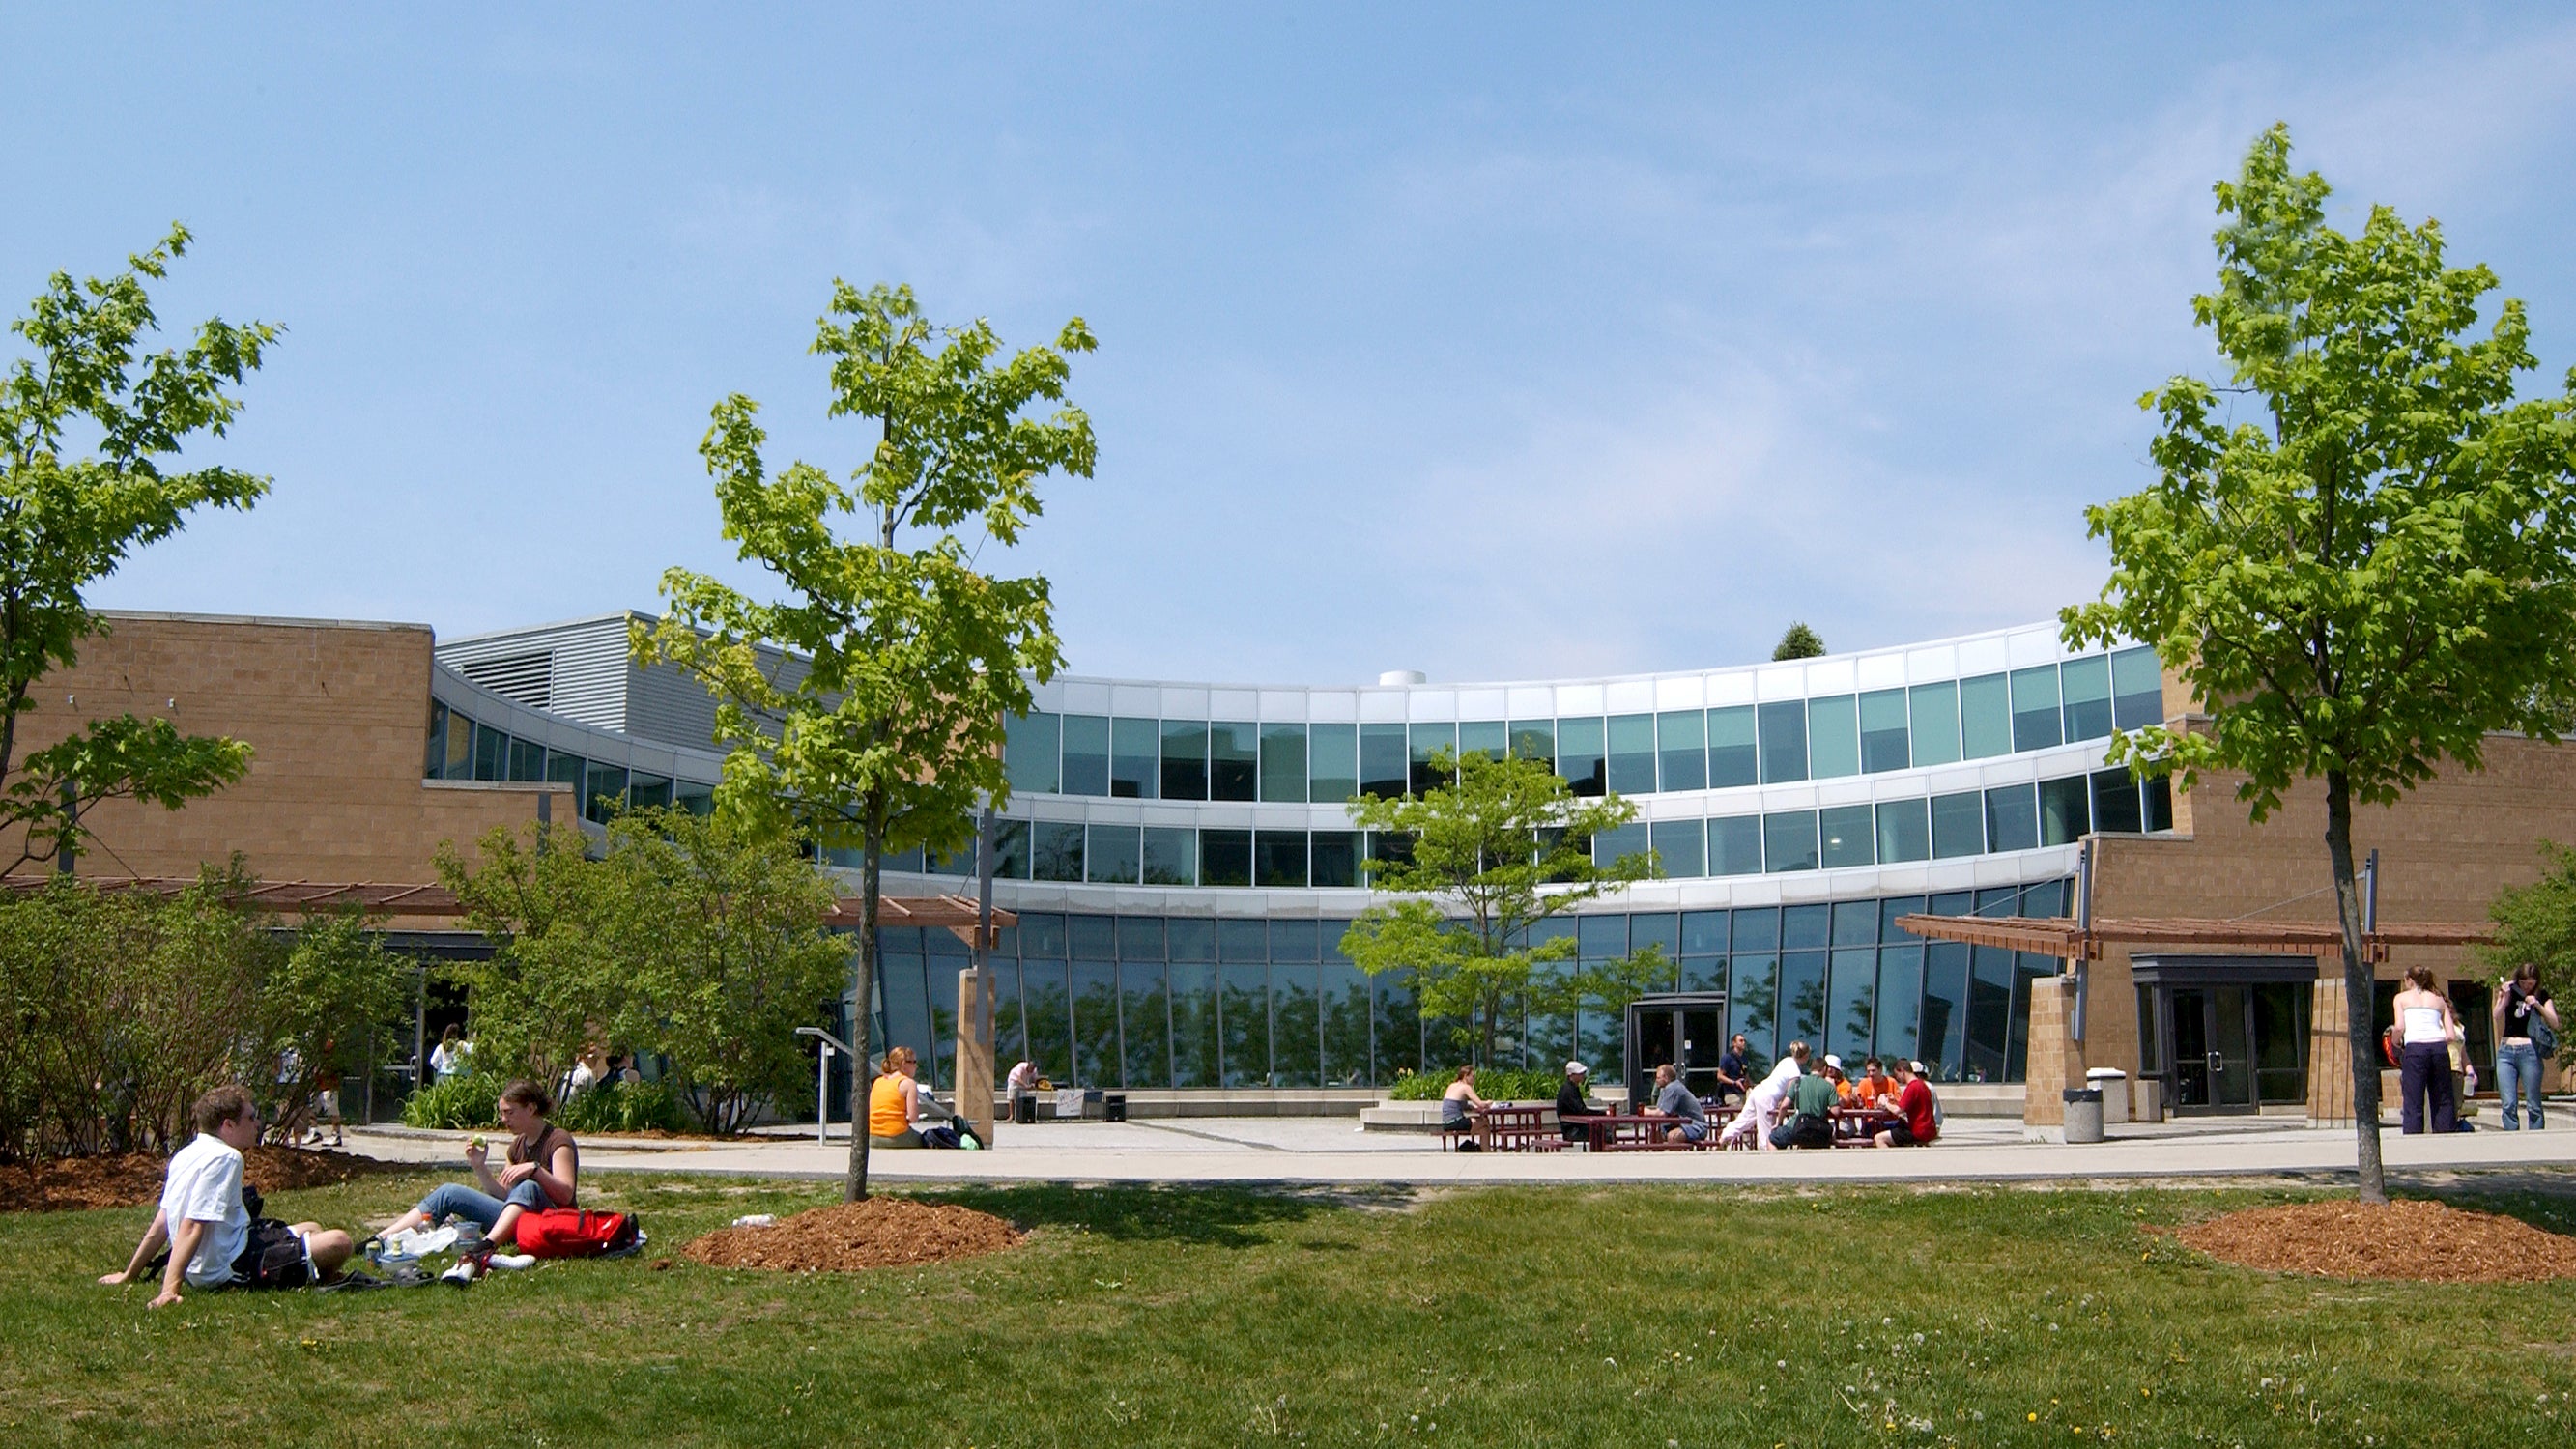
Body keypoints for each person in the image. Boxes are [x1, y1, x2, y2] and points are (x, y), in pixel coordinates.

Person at [100, 1085, 355, 1306]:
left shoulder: (185, 1155)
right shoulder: (227, 1158)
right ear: (228, 1125)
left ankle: (314, 1271)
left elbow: (162, 1222)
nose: (257, 1124)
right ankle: (312, 1274)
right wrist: (169, 1291)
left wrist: (129, 1274)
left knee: (312, 1227)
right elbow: (193, 1224)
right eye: (250, 1117)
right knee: (340, 1242)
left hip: (222, 1252)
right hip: (227, 1267)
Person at [379, 1079, 578, 1285]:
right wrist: (479, 1165)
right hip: (519, 1223)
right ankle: (381, 1239)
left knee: (529, 1186)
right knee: (449, 1192)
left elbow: (565, 1195)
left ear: (531, 1108)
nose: (504, 1119)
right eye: (502, 1113)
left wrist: (535, 1170)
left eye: (509, 1112)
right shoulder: (517, 1145)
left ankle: (484, 1248)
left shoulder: (558, 1140)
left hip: (552, 1223)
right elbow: (506, 1195)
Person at [2394, 965, 2461, 1135]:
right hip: (2438, 1047)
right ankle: (2445, 1133)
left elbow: (2399, 1026)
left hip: (2415, 1047)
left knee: (2413, 1099)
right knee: (2443, 1097)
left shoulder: (2401, 998)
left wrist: (2396, 1042)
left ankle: (2413, 1137)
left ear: (2409, 980)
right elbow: (2451, 1035)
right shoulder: (2438, 1000)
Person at [2494, 963, 2560, 1132]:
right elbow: (2496, 1015)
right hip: (2506, 1050)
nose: (2526, 986)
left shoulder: (2542, 995)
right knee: (2508, 1103)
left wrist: (2537, 1004)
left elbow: (2554, 1022)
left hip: (2529, 1051)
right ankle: (2512, 1138)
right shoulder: (2509, 990)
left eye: (2530, 983)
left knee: (2533, 1103)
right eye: (2523, 983)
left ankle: (2536, 1138)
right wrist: (2504, 997)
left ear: (2536, 981)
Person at [1721, 1041, 1809, 1150]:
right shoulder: (1795, 1072)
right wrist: (1782, 1114)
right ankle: (1766, 1155)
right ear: (1805, 1056)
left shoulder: (1786, 1061)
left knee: (1743, 1120)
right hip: (1768, 1097)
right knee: (1766, 1136)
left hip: (1759, 1090)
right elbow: (1789, 1095)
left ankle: (1722, 1139)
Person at [1771, 1054, 1838, 1150]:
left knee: (1772, 1139)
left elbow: (1784, 1106)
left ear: (1811, 1069)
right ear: (1824, 1069)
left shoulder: (1797, 1083)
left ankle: (1777, 1158)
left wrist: (1779, 1123)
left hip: (1798, 1127)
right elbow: (1835, 1111)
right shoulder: (1829, 1086)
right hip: (1819, 1130)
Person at [1873, 1059, 1939, 1148]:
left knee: (1879, 1138)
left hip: (1918, 1131)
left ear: (1902, 1071)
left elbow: (1897, 1110)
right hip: (1928, 1129)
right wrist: (1895, 1101)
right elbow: (1909, 1106)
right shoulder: (1922, 1085)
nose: (1897, 1078)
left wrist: (1885, 1103)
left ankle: (1888, 1156)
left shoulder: (1912, 1087)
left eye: (1897, 1075)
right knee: (1895, 1131)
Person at [870, 1046, 925, 1149]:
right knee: (927, 1139)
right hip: (896, 1136)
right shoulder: (908, 1083)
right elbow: (913, 1118)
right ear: (903, 1064)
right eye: (913, 1062)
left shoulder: (878, 1081)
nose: (916, 1066)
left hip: (873, 1137)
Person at [1642, 1063, 1708, 1144]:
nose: (1656, 1080)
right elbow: (1660, 1111)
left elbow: (1662, 1113)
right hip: (1680, 1124)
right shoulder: (1664, 1090)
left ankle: (1676, 1152)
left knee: (1673, 1136)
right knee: (1655, 1134)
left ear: (1666, 1078)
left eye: (1658, 1078)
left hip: (1696, 1126)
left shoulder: (1673, 1088)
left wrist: (1644, 1111)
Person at [1440, 1065, 1492, 1148]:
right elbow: (1481, 1104)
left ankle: (1486, 1151)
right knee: (1485, 1120)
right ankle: (1487, 1149)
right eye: (1473, 1076)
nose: (1474, 1079)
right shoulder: (1466, 1087)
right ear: (1465, 1076)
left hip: (1446, 1123)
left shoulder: (1452, 1085)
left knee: (1484, 1130)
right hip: (1456, 1122)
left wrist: (1473, 1108)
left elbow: (1459, 1105)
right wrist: (1489, 1102)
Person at [1555, 1060, 1600, 1145]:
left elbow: (1581, 1111)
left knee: (1602, 1131)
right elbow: (1582, 1111)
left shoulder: (1571, 1088)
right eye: (1580, 1073)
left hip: (1575, 1128)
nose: (1583, 1075)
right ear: (1571, 1075)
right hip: (1573, 1131)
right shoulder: (1568, 1091)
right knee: (1604, 1134)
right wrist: (1602, 1114)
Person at [1711, 1034, 1754, 1108]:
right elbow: (1719, 1076)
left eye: (1744, 1041)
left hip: (1744, 1094)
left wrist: (1750, 1084)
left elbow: (1745, 1074)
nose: (1743, 1043)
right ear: (1734, 1043)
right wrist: (1734, 1082)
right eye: (1741, 1041)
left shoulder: (1744, 1059)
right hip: (1732, 1095)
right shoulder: (1727, 1058)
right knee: (1737, 1114)